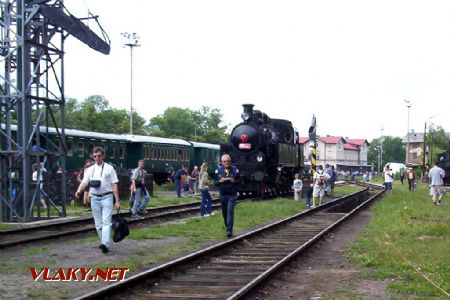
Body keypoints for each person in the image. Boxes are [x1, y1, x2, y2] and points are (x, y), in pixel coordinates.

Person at [75, 147, 120, 254]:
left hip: (107, 197)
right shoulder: (90, 169)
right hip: (94, 197)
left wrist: (117, 201)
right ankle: (104, 244)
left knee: (106, 222)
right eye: (95, 156)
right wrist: (79, 191)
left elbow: (114, 185)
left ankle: (105, 243)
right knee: (98, 224)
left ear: (103, 156)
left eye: (99, 156)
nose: (97, 158)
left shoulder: (110, 168)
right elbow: (84, 182)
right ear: (92, 157)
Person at [215, 154, 239, 238]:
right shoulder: (218, 170)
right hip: (223, 195)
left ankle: (229, 230)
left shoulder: (235, 170)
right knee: (224, 213)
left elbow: (239, 181)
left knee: (230, 212)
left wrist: (234, 181)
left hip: (232, 195)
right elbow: (215, 183)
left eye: (228, 161)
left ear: (230, 161)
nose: (226, 163)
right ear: (221, 162)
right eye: (224, 161)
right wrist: (220, 181)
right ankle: (227, 227)